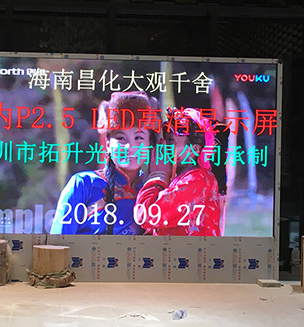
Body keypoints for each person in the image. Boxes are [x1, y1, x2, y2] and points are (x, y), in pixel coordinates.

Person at [50, 91, 160, 235]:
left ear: (149, 144)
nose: (130, 147)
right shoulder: (84, 184)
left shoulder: (152, 190)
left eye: (139, 137)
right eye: (121, 138)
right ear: (108, 144)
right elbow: (58, 242)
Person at [135, 107, 222, 236]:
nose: (163, 145)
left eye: (171, 141)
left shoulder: (199, 179)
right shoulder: (179, 179)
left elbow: (146, 215)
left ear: (195, 149)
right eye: (165, 139)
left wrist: (157, 176)